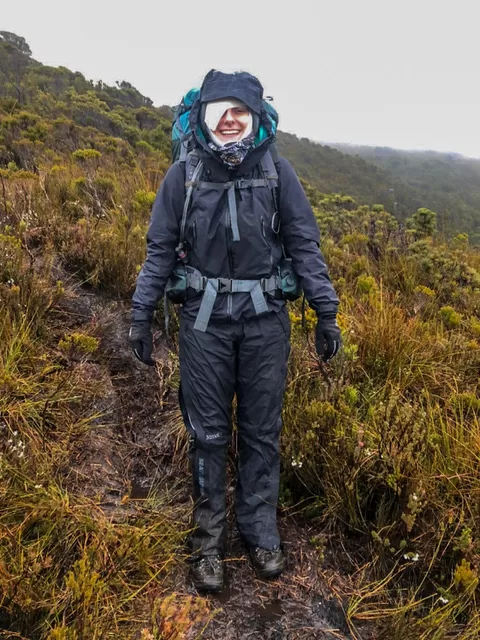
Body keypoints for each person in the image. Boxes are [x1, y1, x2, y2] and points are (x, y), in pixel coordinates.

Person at [129, 69, 341, 593]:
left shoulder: (277, 173)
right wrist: (141, 312)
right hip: (203, 323)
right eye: (218, 111)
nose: (228, 120)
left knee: (262, 431)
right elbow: (159, 249)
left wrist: (325, 310)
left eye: (238, 112)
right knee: (208, 436)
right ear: (202, 118)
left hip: (267, 321)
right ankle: (207, 542)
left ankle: (259, 529)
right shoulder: (184, 176)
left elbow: (304, 244)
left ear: (254, 118)